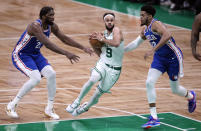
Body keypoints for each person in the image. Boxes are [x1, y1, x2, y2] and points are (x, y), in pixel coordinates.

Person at [6, 6, 93, 120]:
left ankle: (49, 109)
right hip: (22, 54)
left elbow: (64, 39)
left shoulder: (52, 26)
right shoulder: (35, 26)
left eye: (53, 15)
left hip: (35, 54)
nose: (53, 17)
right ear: (43, 16)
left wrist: (82, 47)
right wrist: (66, 53)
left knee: (51, 74)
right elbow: (48, 44)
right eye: (50, 15)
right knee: (36, 78)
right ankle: (11, 105)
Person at [124, 5, 196, 129]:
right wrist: (122, 50)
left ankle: (191, 96)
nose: (140, 17)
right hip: (160, 59)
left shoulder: (155, 24)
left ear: (150, 16)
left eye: (142, 15)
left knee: (175, 89)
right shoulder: (145, 29)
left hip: (173, 58)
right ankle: (154, 118)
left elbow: (167, 35)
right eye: (140, 15)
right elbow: (136, 43)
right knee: (149, 82)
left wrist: (153, 49)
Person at [66, 12, 124, 116]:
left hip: (114, 69)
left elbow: (116, 43)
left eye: (112, 20)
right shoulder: (101, 35)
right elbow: (101, 54)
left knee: (97, 95)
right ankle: (76, 101)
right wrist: (93, 44)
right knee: (93, 79)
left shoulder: (117, 31)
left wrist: (102, 40)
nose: (110, 22)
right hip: (103, 63)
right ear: (104, 22)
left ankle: (85, 108)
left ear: (114, 21)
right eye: (107, 20)